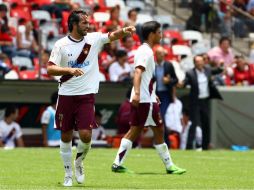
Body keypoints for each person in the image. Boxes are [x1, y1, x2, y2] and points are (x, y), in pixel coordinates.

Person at [46, 9, 136, 187]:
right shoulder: (61, 45)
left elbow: (111, 35)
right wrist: (69, 70)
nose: (88, 26)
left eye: (88, 23)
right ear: (73, 24)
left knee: (86, 135)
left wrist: (124, 31)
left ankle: (79, 163)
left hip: (87, 95)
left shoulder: (93, 39)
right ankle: (68, 173)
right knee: (66, 136)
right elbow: (50, 69)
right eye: (84, 23)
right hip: (66, 95)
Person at [111, 21, 186, 174]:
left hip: (148, 98)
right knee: (138, 130)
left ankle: (169, 166)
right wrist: (138, 93)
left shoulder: (145, 50)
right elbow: (138, 72)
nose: (161, 35)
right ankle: (118, 164)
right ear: (152, 34)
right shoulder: (146, 52)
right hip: (145, 100)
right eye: (159, 32)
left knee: (157, 130)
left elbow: (145, 77)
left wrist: (153, 94)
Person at [182, 55, 223, 150]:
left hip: (205, 101)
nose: (200, 63)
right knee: (194, 124)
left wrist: (221, 66)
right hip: (195, 102)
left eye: (201, 61)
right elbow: (185, 82)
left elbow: (217, 70)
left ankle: (205, 146)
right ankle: (189, 146)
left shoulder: (207, 70)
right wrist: (182, 83)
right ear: (195, 63)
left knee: (206, 123)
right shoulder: (190, 73)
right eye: (198, 62)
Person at [154, 45, 178, 147]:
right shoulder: (152, 65)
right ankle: (159, 141)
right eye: (159, 53)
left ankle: (165, 142)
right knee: (156, 119)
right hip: (155, 95)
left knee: (161, 117)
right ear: (156, 55)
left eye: (163, 53)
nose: (162, 55)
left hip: (165, 95)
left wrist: (169, 81)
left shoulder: (168, 65)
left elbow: (175, 80)